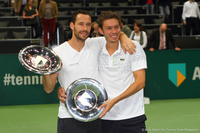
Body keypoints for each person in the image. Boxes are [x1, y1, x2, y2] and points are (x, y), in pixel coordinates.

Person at [42, 10, 135, 133]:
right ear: (72, 25)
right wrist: (45, 71)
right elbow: (49, 88)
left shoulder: (97, 43)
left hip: (94, 117)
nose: (85, 28)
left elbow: (113, 33)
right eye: (80, 24)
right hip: (69, 117)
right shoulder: (59, 52)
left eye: (88, 24)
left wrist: (123, 37)